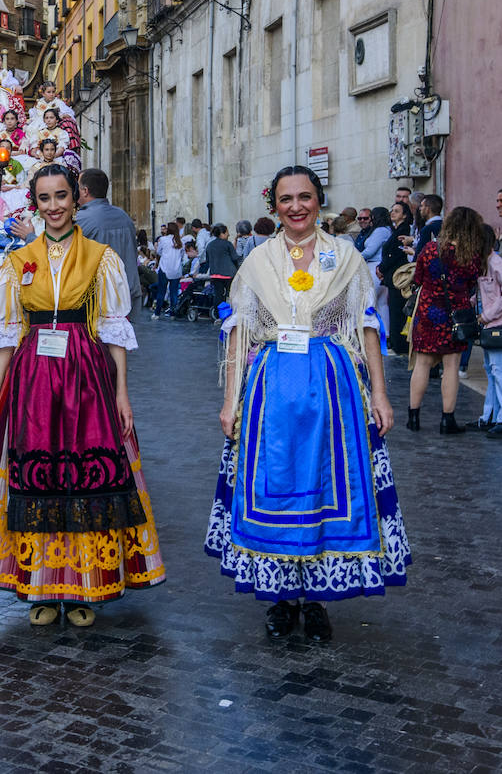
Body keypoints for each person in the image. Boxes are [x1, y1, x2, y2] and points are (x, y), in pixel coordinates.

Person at [208, 166, 408, 642]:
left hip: (331, 388)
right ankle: (280, 598)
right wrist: (229, 399)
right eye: (285, 199)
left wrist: (379, 393)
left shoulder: (345, 257)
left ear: (319, 200)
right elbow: (239, 334)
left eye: (304, 197)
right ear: (272, 205)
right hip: (270, 389)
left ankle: (316, 598)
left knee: (324, 487)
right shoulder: (257, 261)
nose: (296, 206)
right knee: (274, 483)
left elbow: (365, 327)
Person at [0, 165, 164, 626]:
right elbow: (9, 331)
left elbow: (114, 330)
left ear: (77, 199)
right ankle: (41, 588)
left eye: (62, 196)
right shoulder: (15, 261)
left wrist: (122, 393)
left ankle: (83, 587)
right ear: (35, 203)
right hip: (32, 377)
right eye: (46, 198)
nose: (54, 206)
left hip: (85, 375)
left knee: (84, 477)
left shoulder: (100, 257)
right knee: (39, 479)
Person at [407, 206, 490, 434]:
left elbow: (419, 277)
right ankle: (447, 419)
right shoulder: (471, 255)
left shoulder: (431, 248)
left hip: (428, 312)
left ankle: (413, 417)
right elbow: (474, 281)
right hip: (456, 314)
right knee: (451, 366)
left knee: (422, 364)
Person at [75, 168, 142, 319]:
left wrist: (29, 236)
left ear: (85, 191)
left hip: (97, 300)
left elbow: (56, 247)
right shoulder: (124, 217)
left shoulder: (81, 219)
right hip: (126, 295)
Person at [378, 201, 414, 356]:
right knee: (393, 307)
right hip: (391, 273)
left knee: (397, 309)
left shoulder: (404, 230)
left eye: (397, 211)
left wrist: (383, 267)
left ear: (404, 215)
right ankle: (395, 341)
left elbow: (397, 253)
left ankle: (399, 344)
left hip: (398, 274)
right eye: (392, 210)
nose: (393, 213)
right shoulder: (395, 229)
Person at [476, 229, 502, 437]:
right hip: (488, 324)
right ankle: (489, 416)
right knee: (491, 371)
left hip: (495, 324)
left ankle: (499, 418)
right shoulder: (483, 265)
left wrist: (487, 315)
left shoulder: (496, 264)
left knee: (498, 372)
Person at [202, 224, 240, 302]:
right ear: (222, 234)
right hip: (228, 274)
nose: (228, 235)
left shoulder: (209, 245)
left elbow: (207, 260)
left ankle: (218, 312)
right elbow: (234, 258)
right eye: (227, 232)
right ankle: (230, 311)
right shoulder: (227, 244)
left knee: (218, 295)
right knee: (231, 294)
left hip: (215, 274)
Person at [152, 223, 183, 317]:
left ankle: (157, 313)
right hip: (176, 269)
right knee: (173, 292)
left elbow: (159, 251)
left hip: (165, 268)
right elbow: (181, 256)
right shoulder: (180, 242)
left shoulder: (163, 240)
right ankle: (173, 312)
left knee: (161, 291)